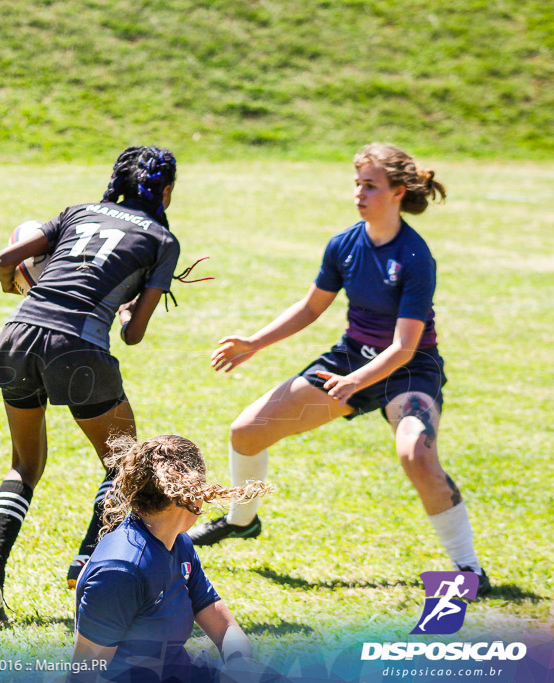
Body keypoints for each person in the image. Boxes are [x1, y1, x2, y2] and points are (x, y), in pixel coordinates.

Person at [188, 143, 490, 595]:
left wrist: (356, 382)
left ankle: (470, 570)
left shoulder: (414, 257)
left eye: (370, 185)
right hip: (352, 358)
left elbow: (406, 346)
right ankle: (241, 520)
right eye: (357, 184)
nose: (359, 193)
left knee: (416, 453)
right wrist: (255, 341)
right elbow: (311, 307)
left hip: (408, 370)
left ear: (397, 192)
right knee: (246, 431)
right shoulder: (345, 244)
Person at [0, 146, 182, 624]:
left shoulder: (78, 211)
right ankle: (85, 560)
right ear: (165, 191)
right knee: (125, 462)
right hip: (80, 347)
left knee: (24, 466)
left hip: (18, 334)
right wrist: (129, 308)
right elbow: (133, 334)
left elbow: (7, 258)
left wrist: (15, 283)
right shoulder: (162, 240)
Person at [70, 434, 271, 682]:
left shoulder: (178, 542)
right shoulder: (121, 571)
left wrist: (240, 663)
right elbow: (84, 672)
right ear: (190, 495)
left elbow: (223, 625)